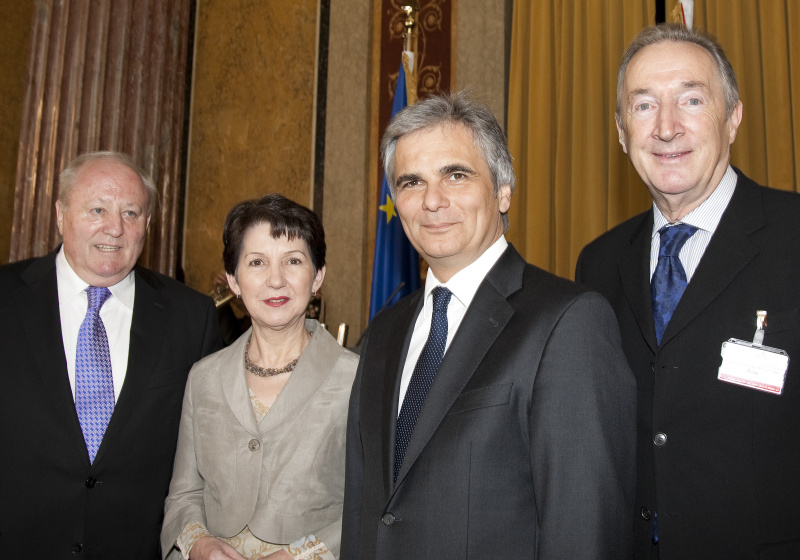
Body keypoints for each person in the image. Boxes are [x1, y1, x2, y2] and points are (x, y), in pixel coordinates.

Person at [341, 91, 636, 560]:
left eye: (455, 175)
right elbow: (364, 509)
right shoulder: (382, 332)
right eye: (411, 182)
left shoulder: (567, 322)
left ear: (502, 190)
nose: (432, 201)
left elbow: (584, 528)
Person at [576, 24, 800, 559]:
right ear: (621, 130)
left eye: (691, 100)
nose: (667, 128)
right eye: (644, 105)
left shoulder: (794, 234)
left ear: (734, 118)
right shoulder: (599, 263)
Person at [0, 151, 222, 558]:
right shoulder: (5, 300)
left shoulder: (192, 318)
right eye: (97, 209)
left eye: (131, 213)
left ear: (148, 226)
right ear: (61, 214)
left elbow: (210, 457)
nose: (115, 228)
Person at [162, 194, 358, 560]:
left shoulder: (357, 379)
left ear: (318, 277)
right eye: (257, 263)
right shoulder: (204, 377)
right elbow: (184, 494)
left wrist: (300, 556)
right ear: (234, 281)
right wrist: (199, 544)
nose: (275, 280)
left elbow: (372, 502)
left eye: (294, 261)